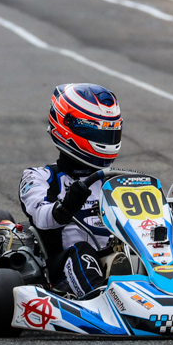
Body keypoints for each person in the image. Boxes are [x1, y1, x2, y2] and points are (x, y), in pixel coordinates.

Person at [19, 83, 122, 297]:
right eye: (95, 130)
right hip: (62, 271)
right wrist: (67, 205)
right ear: (67, 127)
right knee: (82, 252)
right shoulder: (39, 177)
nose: (105, 138)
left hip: (113, 259)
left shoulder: (116, 181)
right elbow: (41, 218)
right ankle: (101, 299)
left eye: (110, 131)